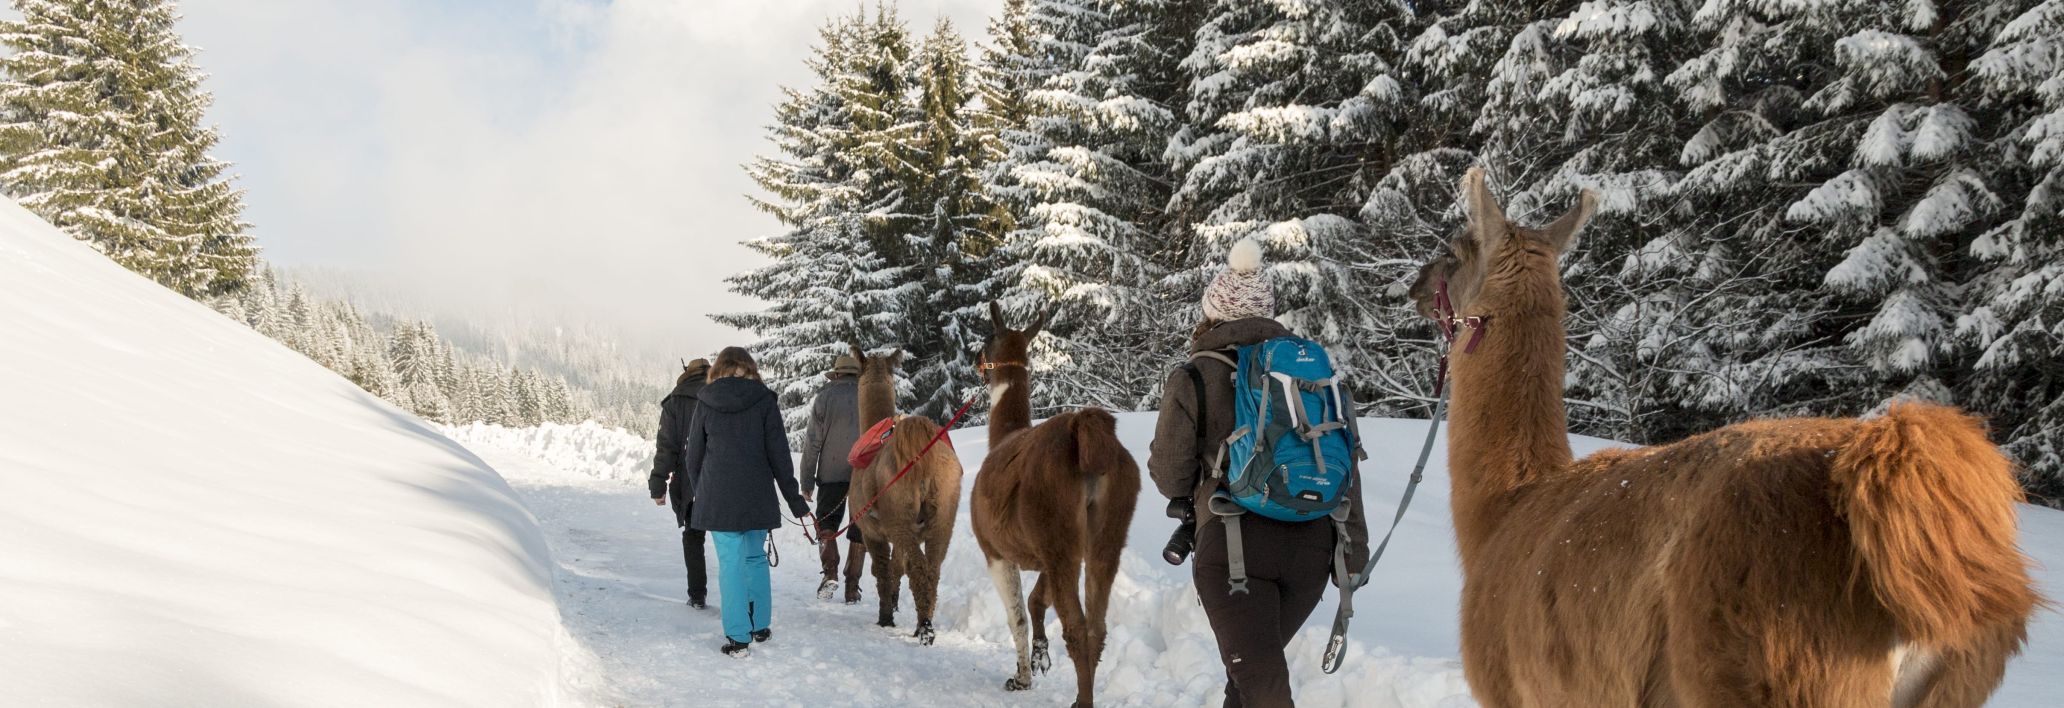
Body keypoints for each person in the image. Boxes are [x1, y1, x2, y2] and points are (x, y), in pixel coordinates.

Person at [1148, 240, 1371, 707]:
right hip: (1313, 548)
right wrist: (1354, 554)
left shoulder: (1195, 375)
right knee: (1249, 682)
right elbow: (1343, 460)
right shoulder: (1312, 375)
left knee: (1262, 687)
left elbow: (1169, 472)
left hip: (1234, 554)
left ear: (1212, 313)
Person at [673, 346, 812, 657]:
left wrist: (703, 490)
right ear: (749, 368)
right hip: (757, 496)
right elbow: (780, 457)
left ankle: (738, 638)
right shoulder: (764, 400)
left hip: (719, 498)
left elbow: (693, 457)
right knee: (755, 559)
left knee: (731, 565)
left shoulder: (705, 401)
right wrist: (795, 501)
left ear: (719, 369)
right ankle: (759, 625)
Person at [799, 354, 867, 603]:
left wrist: (806, 481)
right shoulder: (867, 395)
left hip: (831, 472)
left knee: (826, 524)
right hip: (864, 472)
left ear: (837, 374)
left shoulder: (825, 398)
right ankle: (852, 587)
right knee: (859, 528)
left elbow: (812, 443)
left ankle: (830, 574)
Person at [649, 357, 712, 608]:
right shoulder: (720, 396)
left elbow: (667, 447)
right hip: (721, 480)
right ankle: (740, 599)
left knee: (693, 537)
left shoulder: (675, 402)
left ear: (687, 374)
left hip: (689, 482)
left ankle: (697, 595)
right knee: (729, 541)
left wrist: (658, 482)